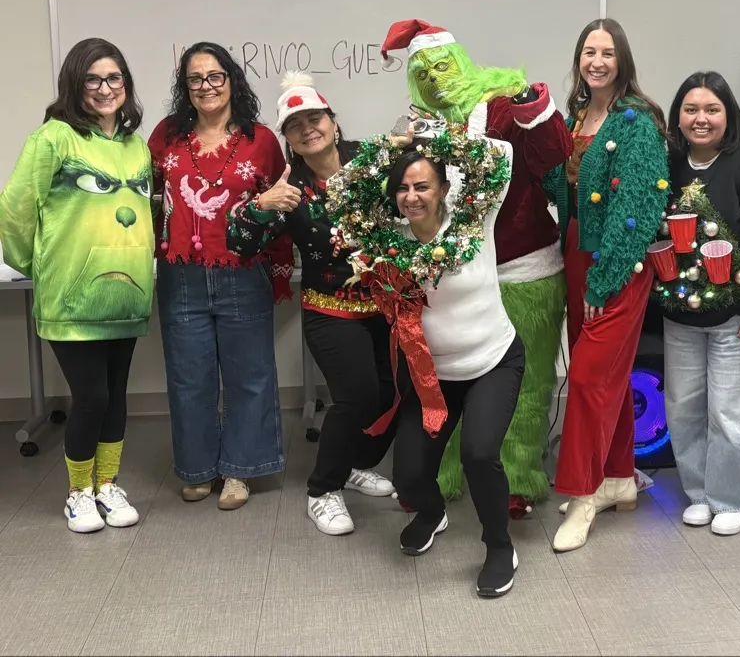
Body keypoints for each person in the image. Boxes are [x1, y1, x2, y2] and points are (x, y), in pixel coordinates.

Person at [378, 18, 571, 518]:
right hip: (452, 279)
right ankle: (438, 476)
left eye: (442, 66)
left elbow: (555, 151)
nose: (436, 80)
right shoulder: (416, 130)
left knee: (525, 386)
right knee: (444, 382)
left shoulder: (504, 109)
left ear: (461, 62)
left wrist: (531, 99)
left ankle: (519, 478)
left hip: (522, 270)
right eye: (423, 74)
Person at [226, 72, 396, 535]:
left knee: (389, 395)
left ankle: (355, 464)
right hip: (330, 309)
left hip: (386, 305)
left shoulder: (370, 161)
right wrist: (263, 205)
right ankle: (323, 489)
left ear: (333, 122)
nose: (308, 128)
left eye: (315, 118)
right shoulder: (289, 189)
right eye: (295, 125)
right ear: (288, 140)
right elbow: (239, 242)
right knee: (357, 395)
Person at [0, 38, 153, 532]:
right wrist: (39, 266)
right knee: (90, 398)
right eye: (93, 79)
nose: (105, 88)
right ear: (75, 83)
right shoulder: (53, 138)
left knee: (115, 395)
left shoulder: (136, 146)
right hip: (73, 297)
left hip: (126, 292)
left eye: (114, 78)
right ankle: (78, 493)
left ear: (125, 85)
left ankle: (107, 484)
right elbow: (15, 210)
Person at [371, 137, 525, 597]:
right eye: (402, 187)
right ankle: (432, 512)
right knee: (409, 476)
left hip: (492, 362)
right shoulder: (386, 239)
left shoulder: (475, 219)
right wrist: (392, 146)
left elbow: (503, 154)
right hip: (431, 377)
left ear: (443, 188)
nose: (412, 196)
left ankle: (500, 547)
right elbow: (345, 192)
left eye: (422, 185)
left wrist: (432, 135)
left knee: (479, 454)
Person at [148, 41, 293, 510]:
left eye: (215, 76)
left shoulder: (261, 140)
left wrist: (277, 270)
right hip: (180, 275)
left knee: (249, 375)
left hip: (242, 272)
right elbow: (145, 202)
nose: (206, 86)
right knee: (189, 377)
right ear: (184, 87)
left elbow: (279, 208)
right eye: (195, 79)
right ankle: (196, 469)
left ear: (231, 80)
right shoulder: (165, 137)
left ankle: (240, 471)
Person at [543, 18, 670, 553]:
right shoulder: (577, 117)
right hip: (575, 255)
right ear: (578, 59)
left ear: (623, 61)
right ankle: (618, 477)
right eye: (589, 51)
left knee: (591, 379)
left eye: (608, 52)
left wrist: (604, 280)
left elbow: (635, 212)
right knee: (605, 376)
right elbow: (561, 187)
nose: (597, 61)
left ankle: (582, 494)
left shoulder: (637, 122)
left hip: (614, 264)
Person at [659, 71, 740, 535]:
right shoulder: (667, 164)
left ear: (727, 115)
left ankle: (729, 499)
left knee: (735, 413)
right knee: (685, 407)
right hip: (681, 317)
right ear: (678, 116)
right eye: (691, 109)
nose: (701, 119)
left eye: (711, 109)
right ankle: (699, 493)